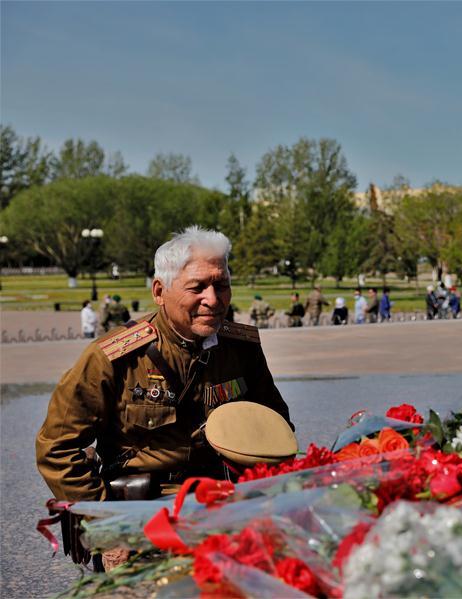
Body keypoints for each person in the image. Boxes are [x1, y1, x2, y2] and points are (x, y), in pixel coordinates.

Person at [36, 226, 293, 569]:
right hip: (141, 519)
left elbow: (277, 429)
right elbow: (57, 447)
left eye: (222, 285)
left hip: (226, 512)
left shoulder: (241, 349)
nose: (213, 300)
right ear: (160, 291)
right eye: (197, 287)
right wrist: (108, 526)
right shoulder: (113, 357)